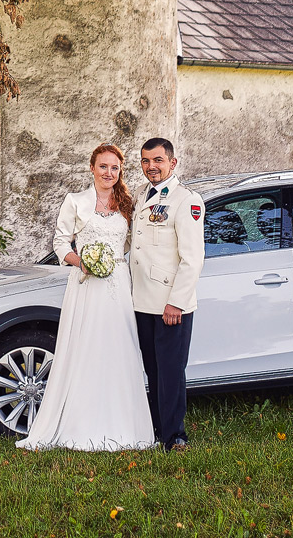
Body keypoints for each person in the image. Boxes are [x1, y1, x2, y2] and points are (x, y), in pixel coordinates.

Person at [16, 144, 160, 452]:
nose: (109, 172)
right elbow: (60, 242)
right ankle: (80, 425)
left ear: (120, 172)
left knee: (119, 348)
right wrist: (82, 262)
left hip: (118, 282)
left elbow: (134, 242)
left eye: (115, 168)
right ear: (92, 168)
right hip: (86, 283)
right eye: (103, 166)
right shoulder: (75, 201)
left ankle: (125, 426)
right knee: (86, 347)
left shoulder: (127, 203)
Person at [129, 136, 204, 450]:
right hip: (142, 301)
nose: (151, 166)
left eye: (158, 160)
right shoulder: (140, 194)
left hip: (169, 304)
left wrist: (176, 302)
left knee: (171, 371)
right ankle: (158, 430)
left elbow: (192, 258)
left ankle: (175, 436)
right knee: (153, 370)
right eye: (146, 161)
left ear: (172, 163)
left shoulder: (187, 200)